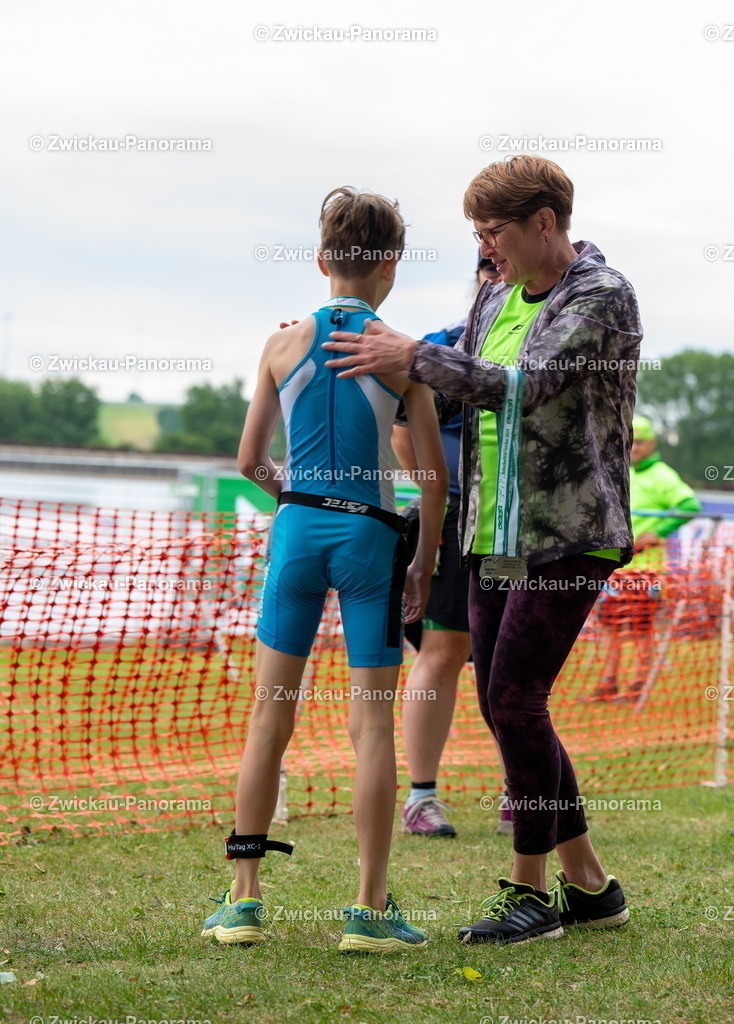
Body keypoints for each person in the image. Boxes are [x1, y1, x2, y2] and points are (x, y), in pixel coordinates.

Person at [323, 155, 642, 944]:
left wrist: (415, 359)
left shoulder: (602, 295)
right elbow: (459, 380)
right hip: (491, 533)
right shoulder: (494, 293)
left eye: (493, 231)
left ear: (544, 223)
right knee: (507, 710)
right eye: (476, 233)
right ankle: (592, 887)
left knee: (515, 701)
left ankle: (530, 893)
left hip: (569, 534)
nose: (485, 247)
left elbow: (524, 382)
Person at [202, 186, 448, 953]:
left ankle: (243, 902)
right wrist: (424, 564)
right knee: (371, 727)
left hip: (299, 536)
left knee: (270, 716)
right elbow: (435, 482)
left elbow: (248, 461)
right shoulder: (405, 355)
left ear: (320, 261)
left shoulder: (280, 345)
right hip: (371, 540)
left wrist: (298, 500)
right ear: (391, 267)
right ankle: (369, 912)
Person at [395, 253, 512, 839]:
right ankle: (421, 798)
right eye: (490, 267)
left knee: (509, 657)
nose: (501, 278)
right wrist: (438, 504)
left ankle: (526, 789)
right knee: (441, 651)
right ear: (480, 276)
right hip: (456, 514)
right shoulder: (441, 346)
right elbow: (400, 434)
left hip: (517, 524)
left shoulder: (538, 345)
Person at [592, 414, 701, 702]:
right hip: (614, 569)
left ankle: (638, 684)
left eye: (639, 441)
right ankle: (608, 684)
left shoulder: (662, 474)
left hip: (646, 571)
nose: (633, 447)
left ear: (651, 444)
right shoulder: (617, 470)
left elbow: (690, 505)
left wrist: (658, 532)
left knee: (640, 627)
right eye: (630, 441)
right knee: (608, 627)